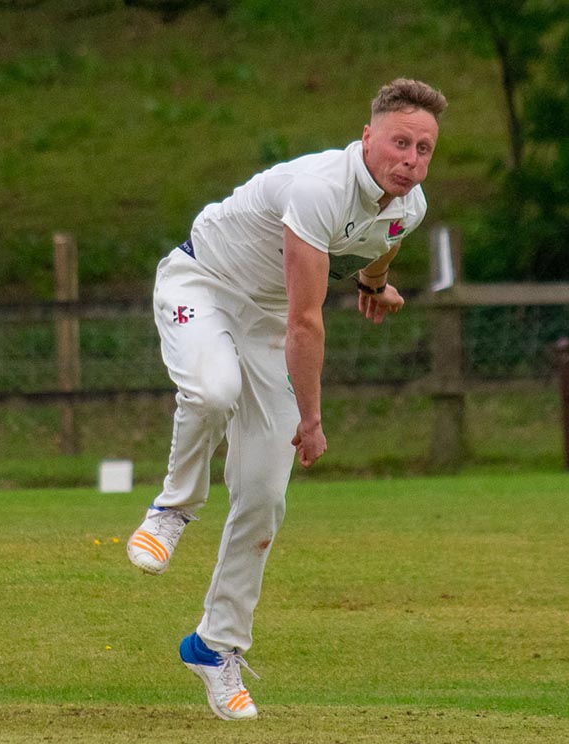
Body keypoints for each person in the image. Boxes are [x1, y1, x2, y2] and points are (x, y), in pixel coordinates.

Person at [127, 78, 446, 720]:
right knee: (214, 391)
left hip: (264, 321)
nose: (411, 159)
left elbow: (385, 241)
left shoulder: (408, 207)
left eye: (424, 148)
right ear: (366, 138)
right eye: (399, 142)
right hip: (204, 284)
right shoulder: (319, 189)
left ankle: (213, 648)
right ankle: (174, 506)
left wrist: (374, 283)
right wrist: (312, 418)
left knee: (266, 498)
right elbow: (306, 321)